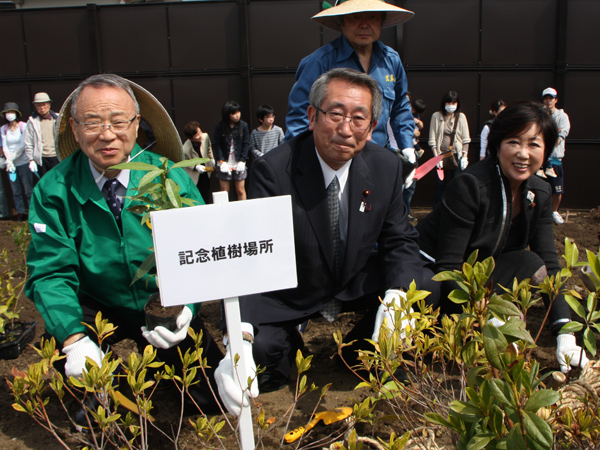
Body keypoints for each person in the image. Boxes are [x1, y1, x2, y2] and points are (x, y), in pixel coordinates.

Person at [215, 68, 437, 416]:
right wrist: (240, 337)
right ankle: (290, 348)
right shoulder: (274, 171)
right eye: (335, 114)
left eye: (359, 118)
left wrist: (397, 299)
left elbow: (400, 240)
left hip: (353, 279)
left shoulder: (385, 167)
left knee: (423, 287)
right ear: (312, 115)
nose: (346, 129)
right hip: (295, 287)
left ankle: (358, 351)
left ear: (372, 125)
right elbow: (253, 254)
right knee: (263, 356)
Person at [25, 74, 224, 414]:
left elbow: (201, 252)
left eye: (118, 122)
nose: (107, 134)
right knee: (68, 363)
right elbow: (50, 271)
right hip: (97, 299)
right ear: (74, 128)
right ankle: (101, 390)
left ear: (136, 125)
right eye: (92, 123)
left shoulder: (169, 177)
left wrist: (187, 309)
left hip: (161, 297)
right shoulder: (54, 189)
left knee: (208, 393)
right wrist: (73, 340)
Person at [417, 100, 588, 374]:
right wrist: (485, 317)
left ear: (546, 150)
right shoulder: (471, 186)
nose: (523, 153)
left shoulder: (539, 193)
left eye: (534, 144)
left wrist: (564, 333)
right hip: (435, 282)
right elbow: (448, 267)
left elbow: (549, 263)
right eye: (514, 142)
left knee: (532, 262)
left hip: (480, 280)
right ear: (498, 146)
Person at [285, 0, 416, 160]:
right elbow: (300, 118)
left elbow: (401, 107)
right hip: (333, 161)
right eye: (355, 17)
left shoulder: (391, 60)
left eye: (372, 17)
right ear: (341, 21)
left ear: (381, 20)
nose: (364, 25)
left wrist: (407, 145)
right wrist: (302, 161)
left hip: (377, 159)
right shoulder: (320, 62)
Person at [428, 90, 471, 205]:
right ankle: (437, 211)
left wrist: (465, 156)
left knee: (457, 184)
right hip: (441, 156)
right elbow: (432, 140)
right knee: (440, 185)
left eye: (454, 103)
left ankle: (454, 209)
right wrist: (436, 158)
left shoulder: (461, 117)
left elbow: (466, 139)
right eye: (449, 103)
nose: (451, 105)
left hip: (456, 155)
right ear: (444, 103)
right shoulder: (436, 116)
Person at [540, 87, 570, 225]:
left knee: (557, 188)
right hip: (540, 158)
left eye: (551, 98)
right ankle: (539, 212)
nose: (548, 101)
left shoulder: (562, 116)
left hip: (555, 159)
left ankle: (554, 211)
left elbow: (562, 135)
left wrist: (550, 140)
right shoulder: (540, 115)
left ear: (556, 100)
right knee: (539, 186)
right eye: (546, 98)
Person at [1, 102, 33, 221]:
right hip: (11, 166)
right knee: (16, 191)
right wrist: (9, 161)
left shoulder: (23, 126)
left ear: (16, 114)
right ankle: (20, 212)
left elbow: (22, 144)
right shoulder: (3, 129)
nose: (9, 115)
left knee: (28, 190)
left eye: (12, 112)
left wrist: (12, 158)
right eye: (7, 113)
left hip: (23, 163)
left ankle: (32, 211)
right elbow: (4, 145)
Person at [212, 101, 250, 201]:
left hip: (239, 161)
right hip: (225, 161)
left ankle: (243, 210)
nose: (237, 115)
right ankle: (223, 212)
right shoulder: (220, 126)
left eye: (238, 112)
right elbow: (217, 144)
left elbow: (246, 144)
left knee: (241, 190)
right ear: (227, 114)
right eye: (234, 113)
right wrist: (221, 161)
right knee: (224, 190)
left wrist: (242, 160)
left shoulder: (244, 126)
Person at [24, 92, 60, 178]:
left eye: (44, 104)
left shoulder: (58, 118)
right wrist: (31, 159)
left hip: (57, 156)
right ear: (35, 107)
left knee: (58, 181)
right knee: (45, 182)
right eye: (39, 105)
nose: (42, 107)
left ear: (49, 105)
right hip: (42, 158)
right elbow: (28, 141)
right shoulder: (32, 121)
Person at [182, 121, 215, 204]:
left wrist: (211, 159)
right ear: (190, 138)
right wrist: (196, 167)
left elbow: (209, 148)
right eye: (197, 135)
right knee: (197, 195)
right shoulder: (185, 148)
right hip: (195, 174)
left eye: (200, 132)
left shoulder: (205, 136)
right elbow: (185, 162)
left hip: (206, 170)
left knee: (206, 192)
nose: (200, 136)